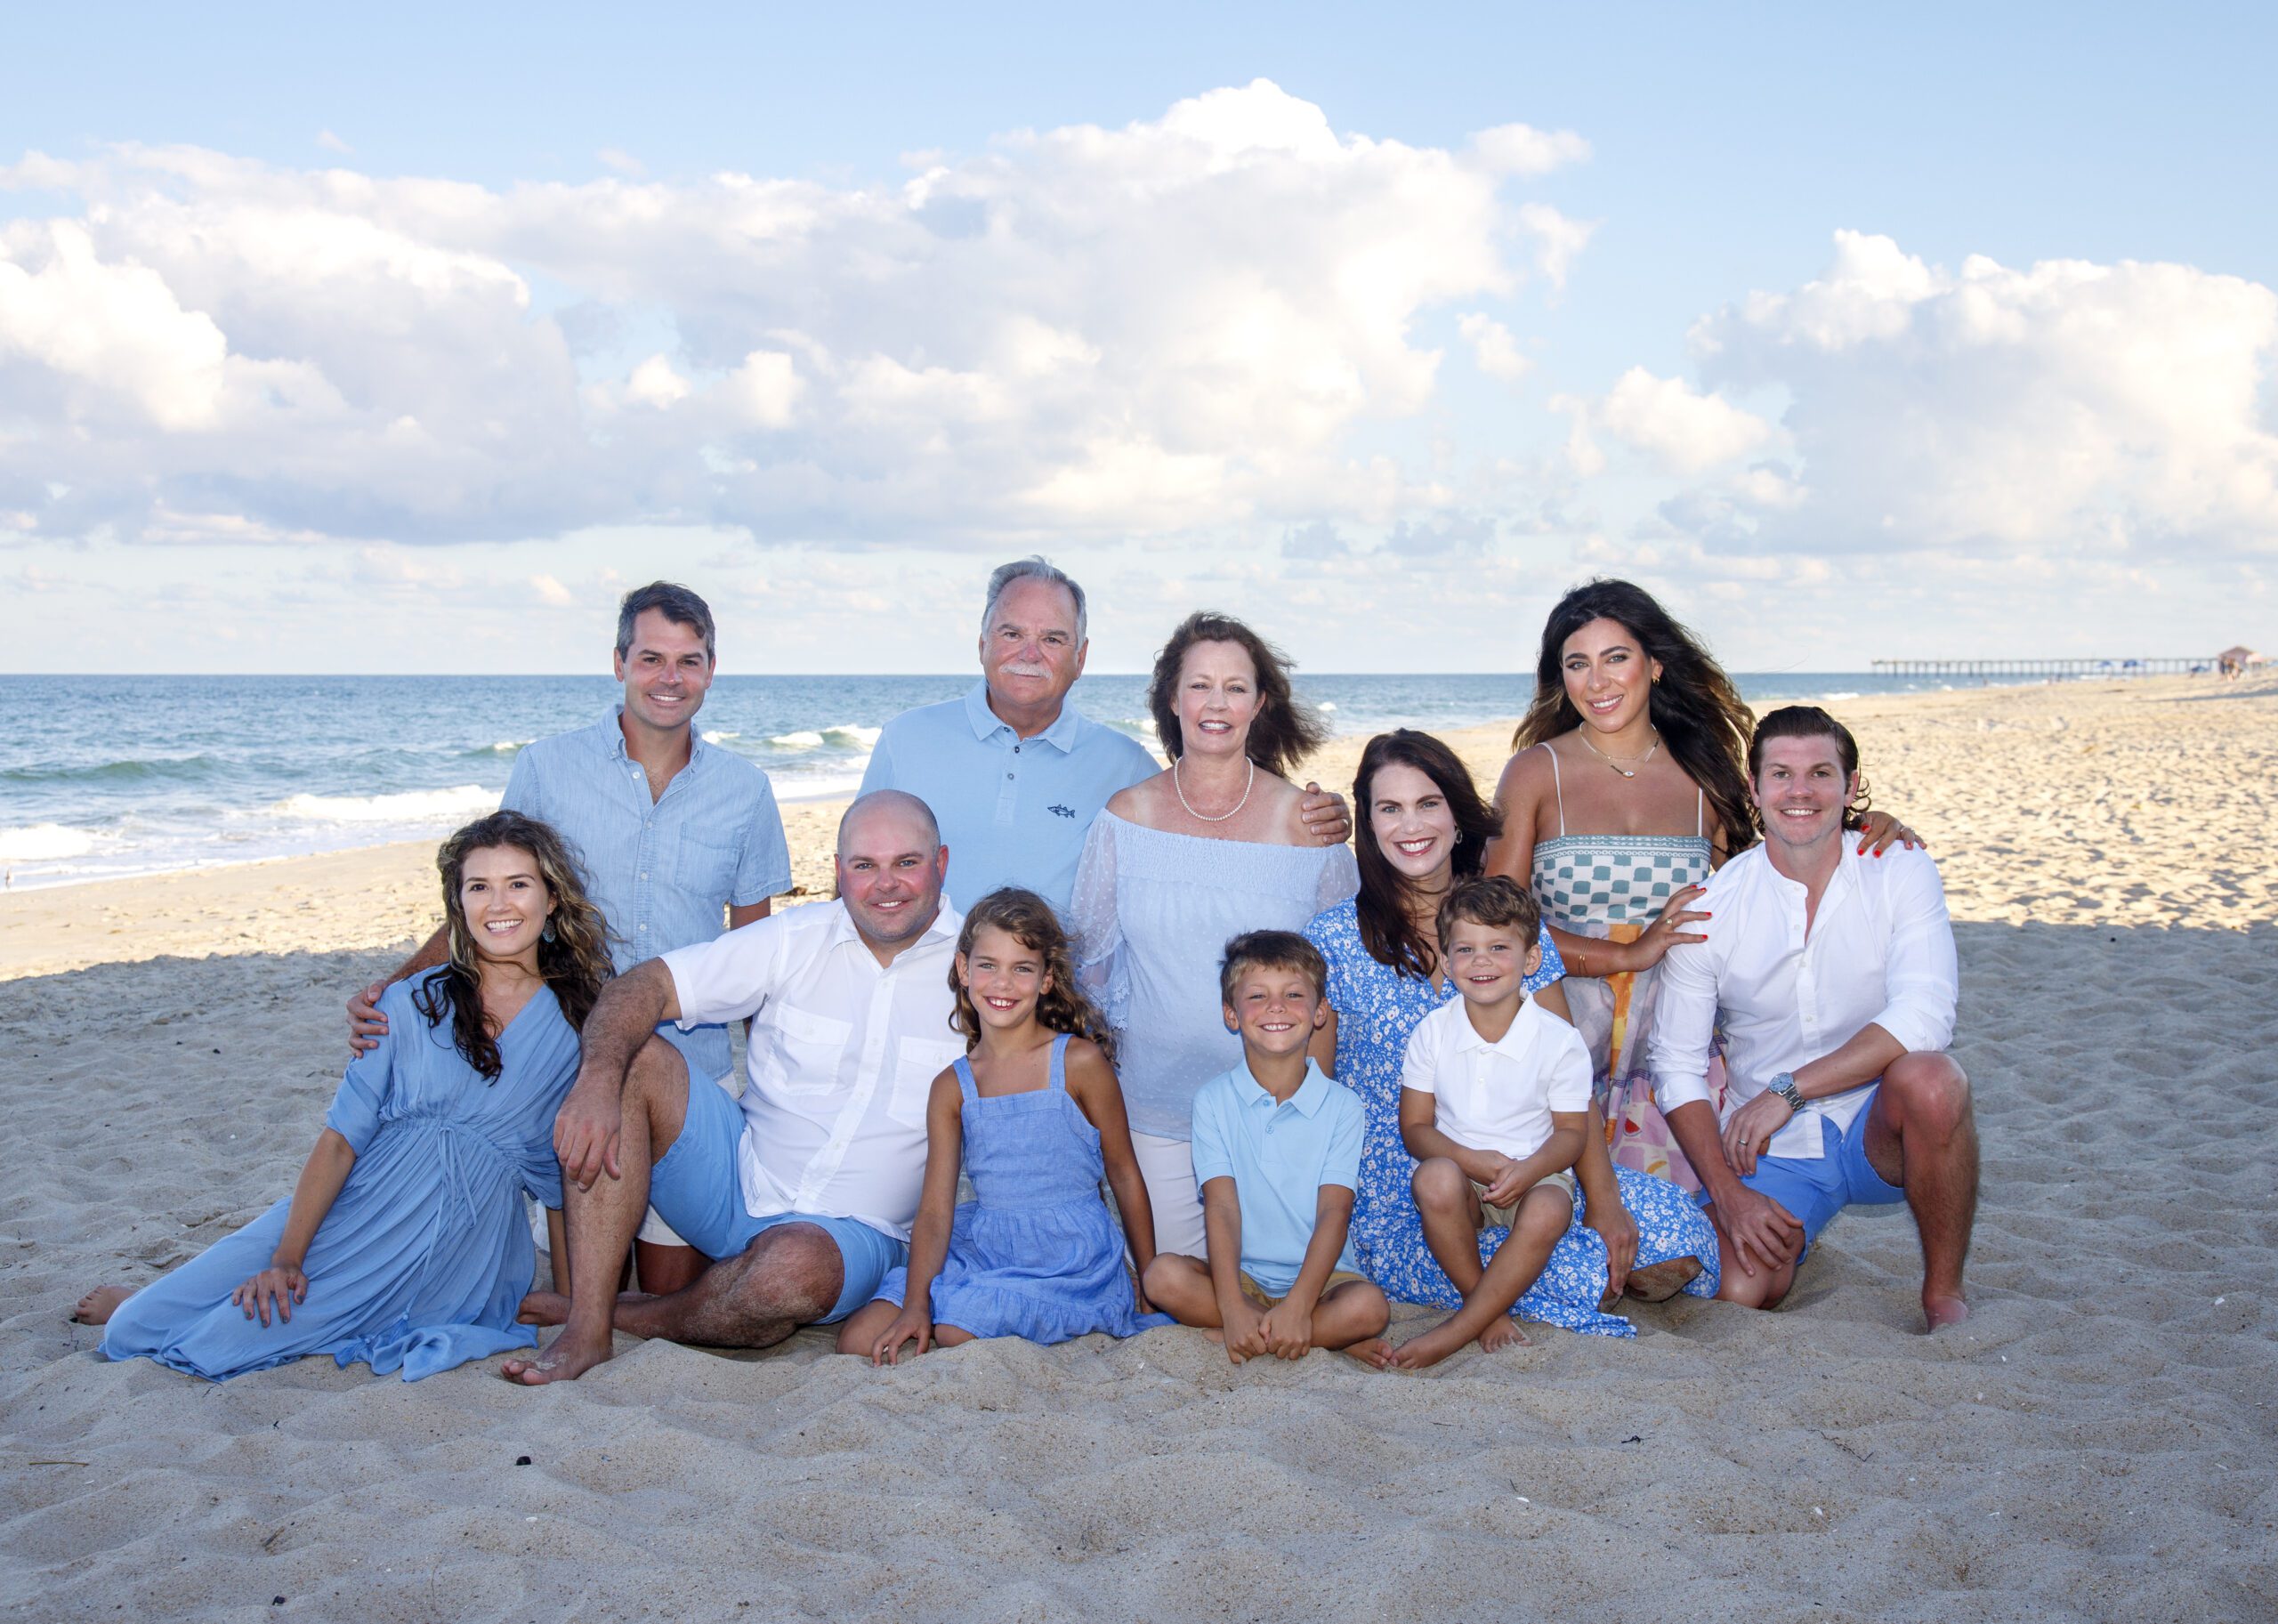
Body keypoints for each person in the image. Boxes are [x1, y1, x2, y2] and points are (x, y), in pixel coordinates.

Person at [348, 582, 790, 1295]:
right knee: (595, 1287)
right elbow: (489, 904)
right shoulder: (547, 769)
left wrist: (777, 1098)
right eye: (651, 657)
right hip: (570, 1069)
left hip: (694, 1072)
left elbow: (761, 952)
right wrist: (392, 984)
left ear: (711, 669)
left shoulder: (746, 790)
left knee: (667, 1293)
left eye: (689, 660)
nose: (669, 678)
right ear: (618, 662)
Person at [76, 812, 612, 1381]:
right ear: (459, 904)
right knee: (128, 1332)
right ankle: (145, 1300)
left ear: (551, 899)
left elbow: (564, 1177)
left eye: (518, 884)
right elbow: (339, 1141)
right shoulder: (409, 1003)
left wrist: (576, 1304)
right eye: (479, 886)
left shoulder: (582, 1024)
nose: (498, 903)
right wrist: (287, 1259)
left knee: (222, 1344)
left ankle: (172, 1302)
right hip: (355, 1206)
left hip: (461, 1248)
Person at [501, 791, 962, 1383]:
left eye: (907, 862)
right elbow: (643, 985)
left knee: (789, 1270)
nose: (886, 884)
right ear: (839, 870)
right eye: (864, 865)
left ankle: (632, 1313)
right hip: (737, 1180)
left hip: (856, 1234)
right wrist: (595, 1079)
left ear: (942, 862)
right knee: (631, 1057)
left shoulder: (977, 967)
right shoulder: (796, 938)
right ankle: (588, 1329)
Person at [1485, 578, 1916, 1191]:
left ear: (1655, 664)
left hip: (1674, 1045)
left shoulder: (1703, 770)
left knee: (1667, 1265)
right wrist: (1625, 954)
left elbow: (1773, 871)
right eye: (1577, 663)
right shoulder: (1534, 771)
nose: (1598, 681)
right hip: (1558, 1034)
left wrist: (1860, 827)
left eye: (1617, 657)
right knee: (1555, 1223)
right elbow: (1495, 924)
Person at [1307, 729, 1718, 1342]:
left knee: (1676, 1239)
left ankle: (1521, 1276)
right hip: (1410, 1184)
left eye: (1428, 803)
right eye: (1388, 808)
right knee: (1582, 1269)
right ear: (1367, 821)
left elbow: (1565, 1074)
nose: (1410, 825)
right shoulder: (1333, 939)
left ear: (1456, 813)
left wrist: (1602, 1198)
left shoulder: (1510, 924)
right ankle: (1487, 1306)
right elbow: (1316, 1094)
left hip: (1530, 1163)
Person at [1652, 707, 1977, 1330]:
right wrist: (1730, 1193)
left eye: (1820, 773)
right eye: (1781, 774)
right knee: (1743, 1289)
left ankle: (1943, 1294)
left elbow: (1926, 1013)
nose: (1800, 791)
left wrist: (1790, 1089)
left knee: (1935, 1078)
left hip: (1881, 1127)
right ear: (1754, 788)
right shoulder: (1712, 907)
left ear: (1851, 787)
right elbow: (1676, 1064)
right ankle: (1787, 1225)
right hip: (1771, 1151)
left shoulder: (1901, 868)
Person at [1070, 611, 1361, 1256]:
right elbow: (1089, 966)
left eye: (1235, 686)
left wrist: (1315, 1107)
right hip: (1156, 1106)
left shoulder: (1308, 824)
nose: (1216, 704)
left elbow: (1339, 978)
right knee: (1181, 1274)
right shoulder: (1126, 817)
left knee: (1273, 1268)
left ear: (1259, 702)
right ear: (1172, 698)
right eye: (1200, 685)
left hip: (1276, 1107)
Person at [860, 557, 1351, 915]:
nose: (1030, 653)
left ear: (1082, 657)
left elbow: (1211, 831)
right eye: (1012, 634)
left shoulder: (1126, 767)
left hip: (1054, 1029)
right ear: (982, 642)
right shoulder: (905, 741)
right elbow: (854, 878)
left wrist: (1314, 817)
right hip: (918, 1010)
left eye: (1053, 639)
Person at [842, 888, 1168, 1362]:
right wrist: (914, 1304)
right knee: (859, 1339)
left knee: (956, 1328)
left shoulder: (1078, 1063)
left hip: (1067, 1256)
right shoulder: (952, 1088)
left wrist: (1149, 1274)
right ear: (963, 970)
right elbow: (935, 1209)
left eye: (1022, 968)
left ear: (1046, 979)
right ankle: (942, 1314)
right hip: (984, 1244)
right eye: (988, 965)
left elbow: (1123, 1174)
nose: (1003, 983)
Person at [1141, 932, 1390, 1362]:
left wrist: (1298, 1304)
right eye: (1258, 995)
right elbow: (1220, 1207)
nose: (1277, 1007)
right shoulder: (1213, 1100)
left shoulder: (1343, 1106)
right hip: (1244, 1275)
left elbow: (1335, 1211)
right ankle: (1297, 1334)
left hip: (1323, 1280)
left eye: (1294, 994)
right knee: (1161, 1277)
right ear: (1231, 1015)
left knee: (1369, 1308)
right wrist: (1232, 1304)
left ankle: (1270, 1330)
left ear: (1319, 1012)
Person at [1372, 877, 1589, 1369]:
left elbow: (1573, 1135)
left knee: (1551, 1210)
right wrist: (1472, 1160)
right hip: (1464, 1176)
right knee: (1433, 1178)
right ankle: (1484, 1314)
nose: (1482, 961)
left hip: (1535, 1172)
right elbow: (1416, 1129)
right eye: (1466, 950)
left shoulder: (1559, 1040)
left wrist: (1529, 1170)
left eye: (1498, 947)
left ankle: (1457, 1328)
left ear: (1531, 959)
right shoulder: (1432, 1032)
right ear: (1448, 964)